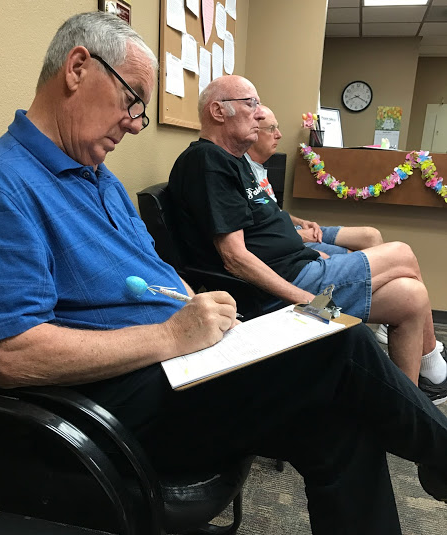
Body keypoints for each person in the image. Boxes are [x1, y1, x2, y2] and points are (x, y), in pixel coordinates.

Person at [0, 12, 446, 535]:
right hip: (114, 402)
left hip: (185, 368)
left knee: (339, 421)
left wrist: (212, 326)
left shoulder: (97, 177)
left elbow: (151, 280)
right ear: (79, 68)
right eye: (132, 101)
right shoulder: (0, 187)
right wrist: (172, 336)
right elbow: (12, 358)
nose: (135, 123)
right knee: (337, 337)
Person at [168, 75, 447, 403]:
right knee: (401, 253)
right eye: (251, 103)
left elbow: (266, 227)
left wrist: (314, 253)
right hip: (282, 288)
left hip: (302, 268)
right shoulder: (207, 161)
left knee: (411, 297)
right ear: (218, 111)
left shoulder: (235, 162)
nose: (259, 113)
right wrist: (308, 302)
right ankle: (435, 368)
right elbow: (235, 258)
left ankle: (407, 406)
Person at [245, 105, 384, 258]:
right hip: (283, 239)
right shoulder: (241, 172)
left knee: (371, 236)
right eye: (271, 129)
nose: (279, 134)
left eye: (277, 128)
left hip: (290, 229)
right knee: (358, 257)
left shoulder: (259, 167)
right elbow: (253, 234)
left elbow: (274, 213)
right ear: (252, 133)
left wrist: (301, 222)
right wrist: (298, 235)